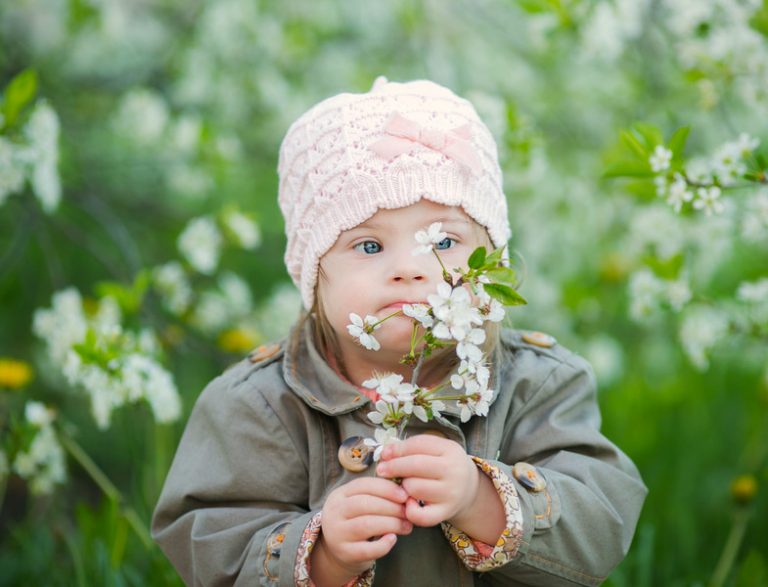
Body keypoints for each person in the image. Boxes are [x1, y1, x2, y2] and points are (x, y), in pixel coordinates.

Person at [151, 77, 647, 586]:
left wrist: (480, 499)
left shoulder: (535, 384)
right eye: (368, 246)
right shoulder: (257, 405)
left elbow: (602, 522)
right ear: (314, 276)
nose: (411, 269)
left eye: (446, 240)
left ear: (491, 261)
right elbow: (211, 543)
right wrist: (323, 555)